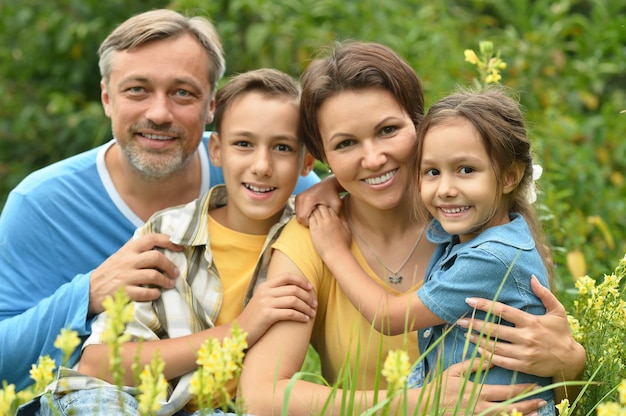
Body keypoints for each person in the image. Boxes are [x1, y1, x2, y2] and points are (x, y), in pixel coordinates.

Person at [240, 41, 585, 415]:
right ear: (324, 156)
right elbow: (262, 397)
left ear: (419, 127)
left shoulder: (470, 229)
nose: (373, 158)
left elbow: (549, 397)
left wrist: (568, 362)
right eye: (346, 144)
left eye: (388, 130)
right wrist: (413, 405)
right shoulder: (315, 237)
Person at [0, 9, 319, 392]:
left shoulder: (250, 171)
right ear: (106, 98)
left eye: (183, 93)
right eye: (137, 90)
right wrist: (88, 292)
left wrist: (337, 192)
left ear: (212, 107)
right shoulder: (43, 205)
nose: (159, 113)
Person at [308, 86, 557, 414]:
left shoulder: (491, 257)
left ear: (510, 176)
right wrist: (333, 183)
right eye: (433, 172)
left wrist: (333, 250)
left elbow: (388, 317)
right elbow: (392, 173)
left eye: (466, 170)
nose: (445, 189)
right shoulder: (472, 228)